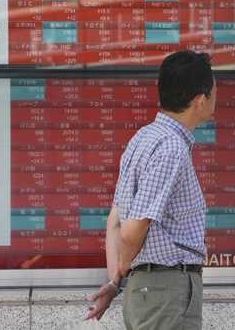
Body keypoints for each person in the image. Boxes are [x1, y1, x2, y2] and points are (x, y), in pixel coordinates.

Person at [85, 50, 216, 330]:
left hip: (147, 291)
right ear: (200, 100)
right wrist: (123, 267)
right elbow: (133, 229)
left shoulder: (142, 139)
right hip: (166, 290)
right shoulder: (170, 147)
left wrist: (115, 281)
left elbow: (115, 220)